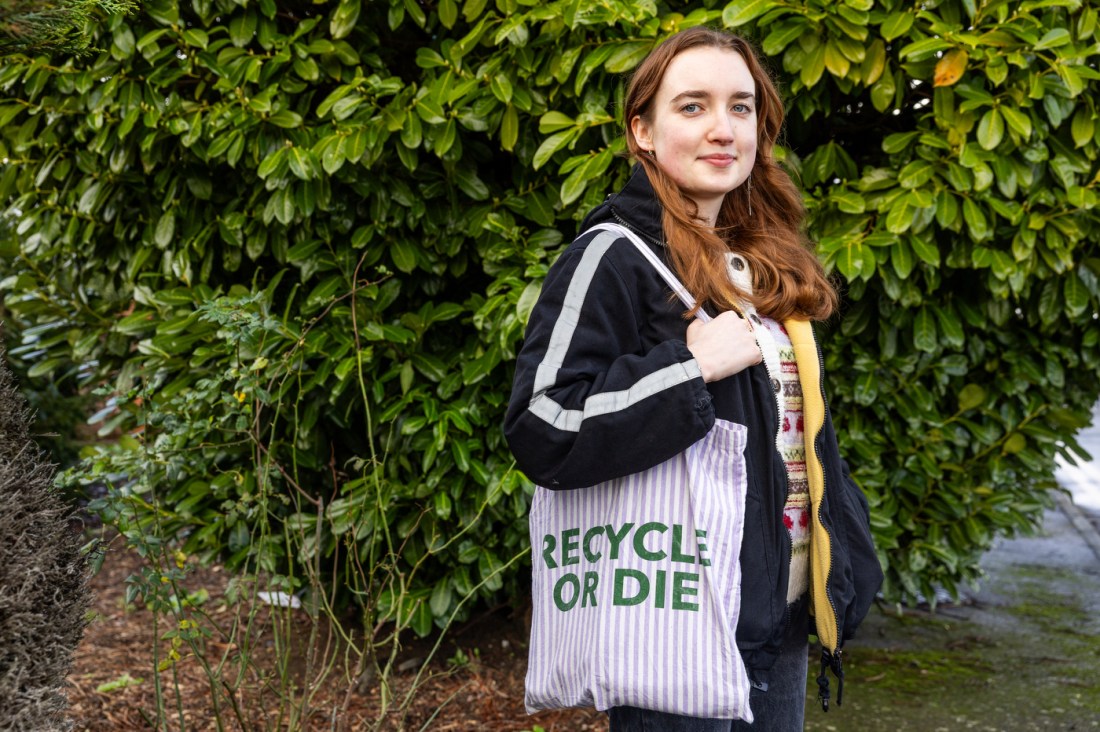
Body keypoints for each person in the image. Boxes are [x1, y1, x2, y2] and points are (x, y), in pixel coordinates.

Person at [504, 26, 880, 731]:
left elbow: (799, 442)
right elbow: (540, 426)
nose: (722, 128)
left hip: (781, 613)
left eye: (741, 108)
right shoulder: (611, 256)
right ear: (641, 131)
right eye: (692, 106)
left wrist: (844, 564)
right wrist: (691, 366)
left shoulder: (757, 263)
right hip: (678, 614)